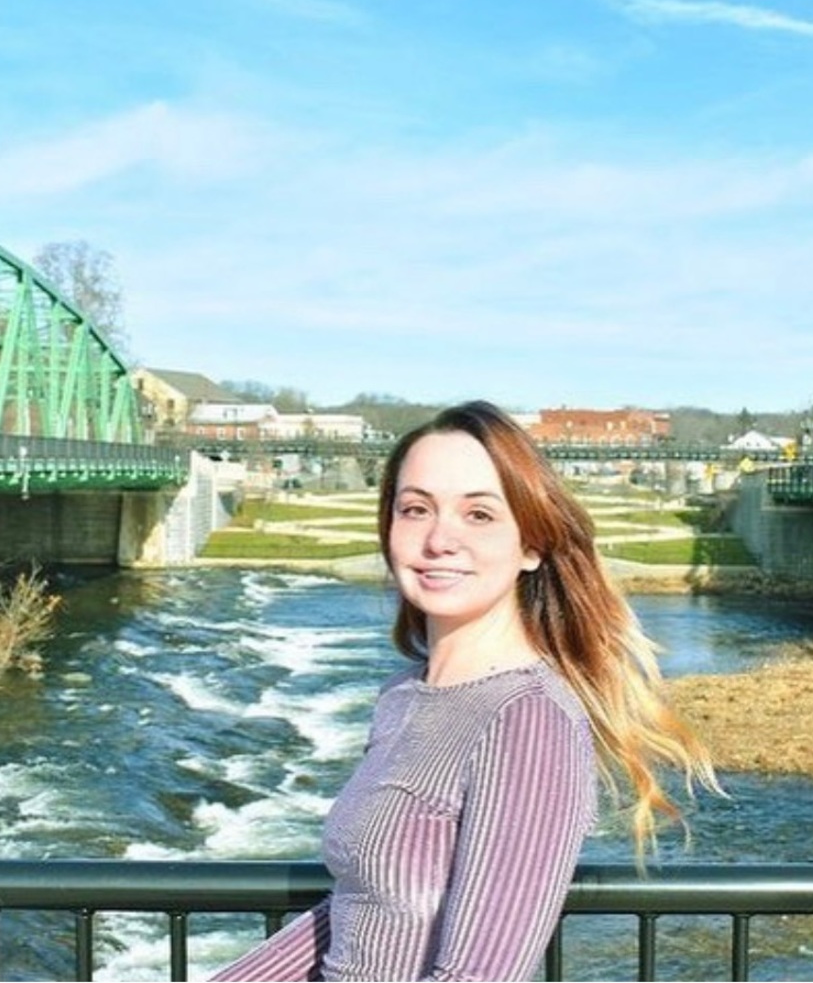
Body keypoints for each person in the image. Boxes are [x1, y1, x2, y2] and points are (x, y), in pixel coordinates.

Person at [209, 399, 719, 982]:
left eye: (478, 515)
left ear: (531, 545)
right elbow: (360, 912)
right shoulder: (404, 697)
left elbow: (478, 977)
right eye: (415, 509)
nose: (439, 540)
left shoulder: (528, 719)